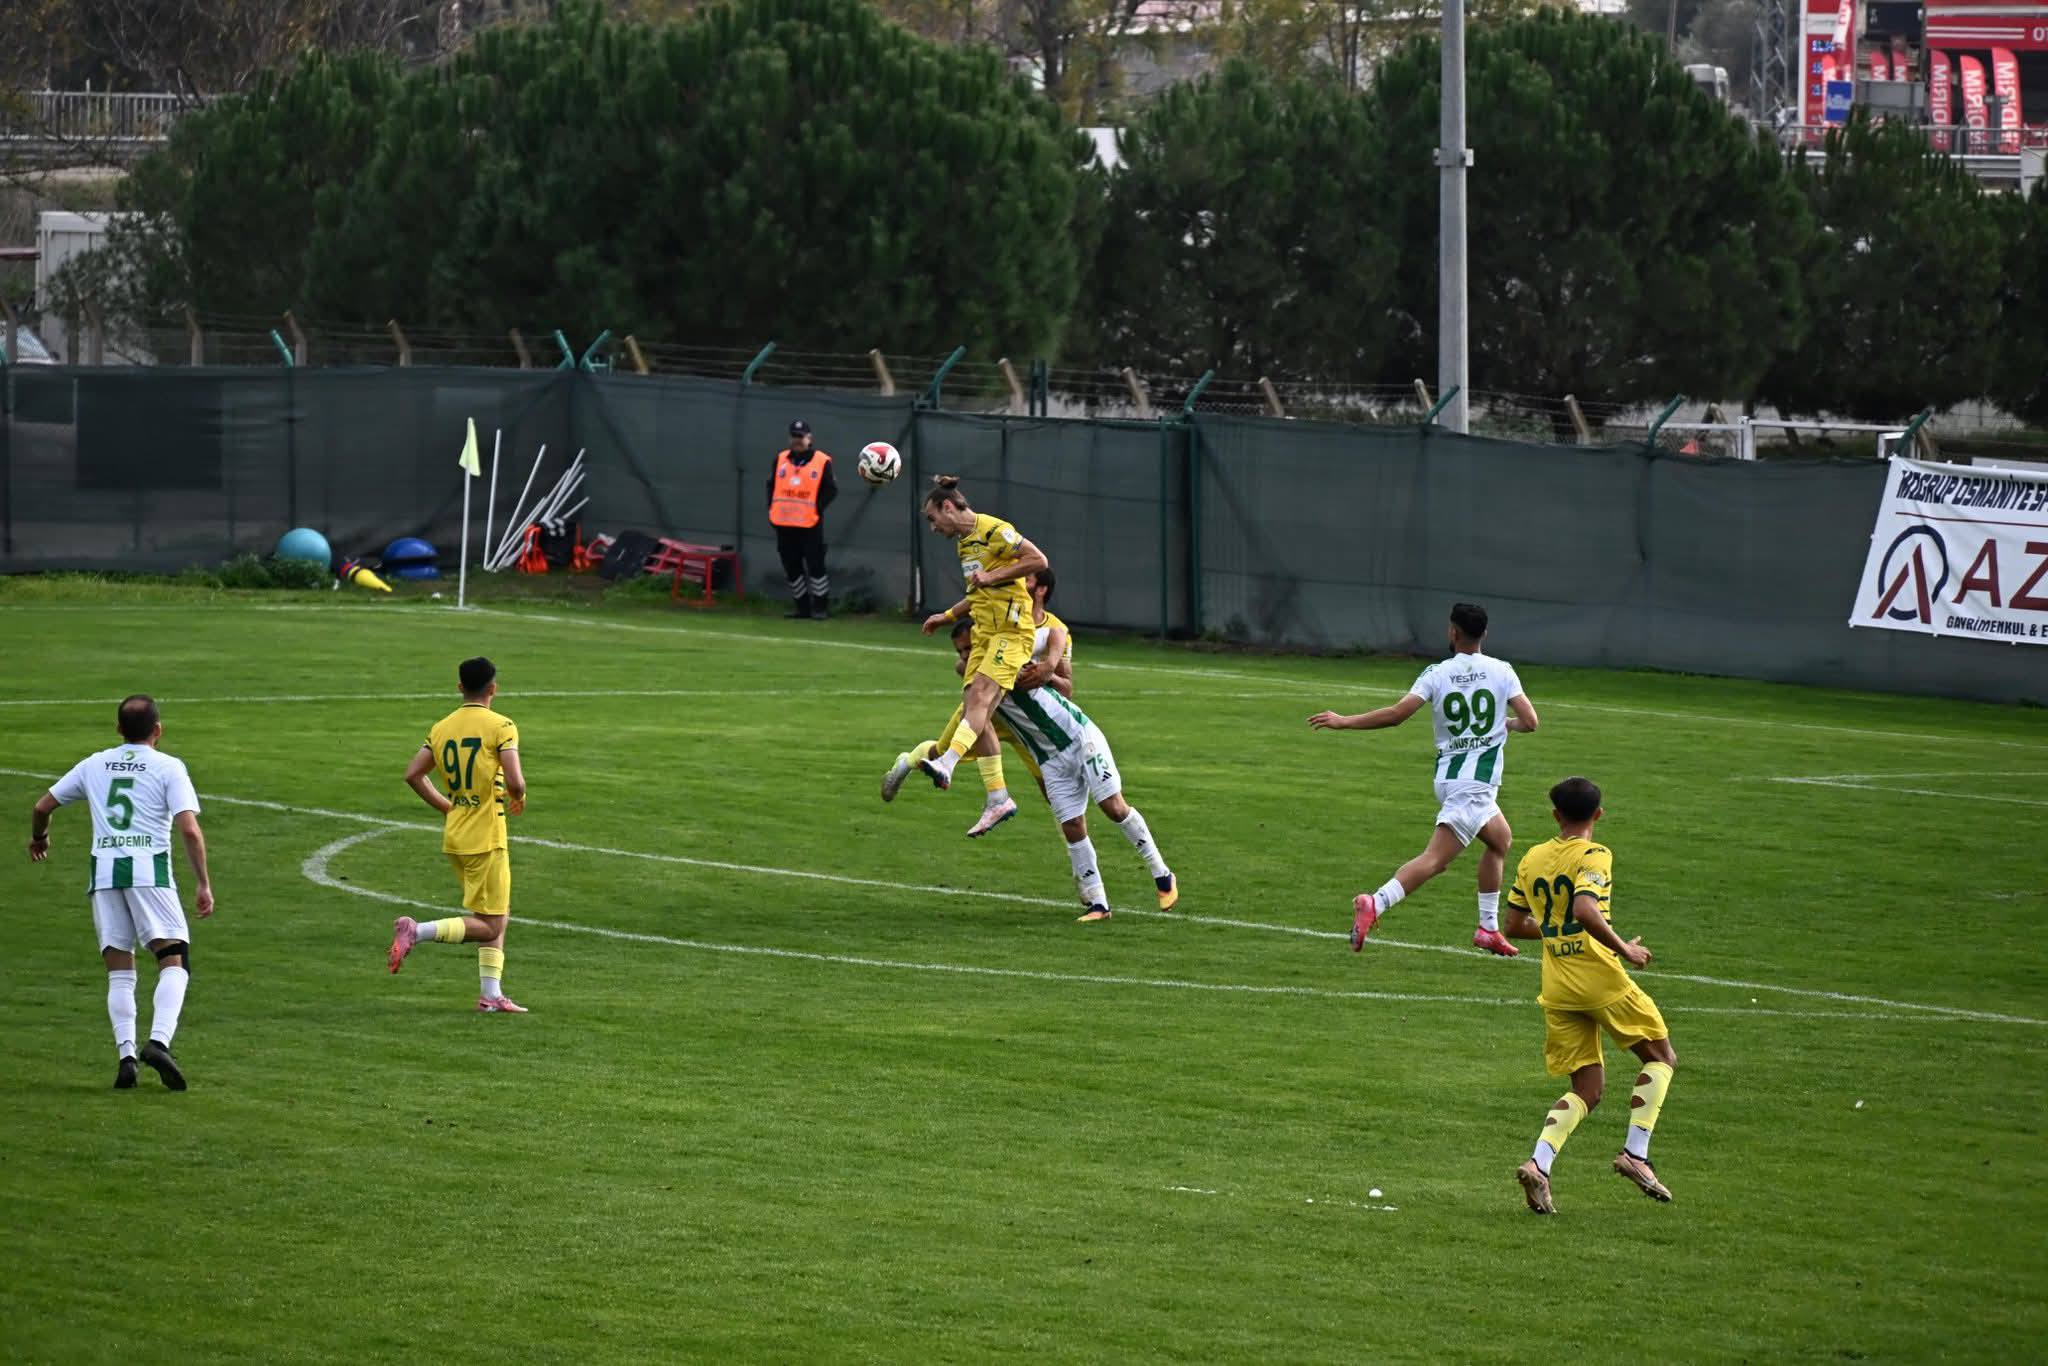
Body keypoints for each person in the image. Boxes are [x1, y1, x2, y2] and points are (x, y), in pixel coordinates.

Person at [1308, 602, 1537, 957]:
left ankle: (1488, 929)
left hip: (1450, 777)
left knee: (1500, 840)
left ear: (1453, 632)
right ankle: (1375, 902)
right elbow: (1531, 721)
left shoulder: (1437, 673)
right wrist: (1504, 724)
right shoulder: (1502, 670)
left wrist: (1345, 720)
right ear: (1485, 634)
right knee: (1435, 860)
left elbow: (1398, 714)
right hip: (1473, 784)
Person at [1503, 777, 1676, 1213]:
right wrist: (1625, 948)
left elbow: (1513, 925)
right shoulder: (1595, 854)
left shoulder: (1533, 857)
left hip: (1557, 985)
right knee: (1660, 1057)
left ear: (1555, 815)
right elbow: (1584, 908)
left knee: (1588, 1088)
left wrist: (1555, 928)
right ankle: (1636, 1154)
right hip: (1599, 978)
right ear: (1598, 815)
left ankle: (1539, 1165)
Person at [27, 695, 214, 1090]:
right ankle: (159, 1042)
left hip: (105, 876)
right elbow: (189, 829)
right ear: (158, 730)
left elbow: (42, 806)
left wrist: (39, 838)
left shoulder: (94, 764)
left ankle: (126, 1055)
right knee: (174, 959)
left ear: (118, 730)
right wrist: (203, 883)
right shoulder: (169, 767)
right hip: (149, 874)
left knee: (120, 971)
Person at [949, 619, 1176, 921]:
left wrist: (1048, 666)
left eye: (970, 647)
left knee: (1113, 806)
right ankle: (1098, 903)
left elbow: (1056, 633)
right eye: (960, 651)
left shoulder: (1013, 647)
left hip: (1079, 736)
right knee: (1071, 825)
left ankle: (1162, 874)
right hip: (1049, 758)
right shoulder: (974, 679)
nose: (965, 655)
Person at [388, 657, 529, 1013]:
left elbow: (413, 775)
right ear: (493, 688)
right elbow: (515, 781)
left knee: (498, 911)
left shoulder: (441, 727)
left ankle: (490, 994)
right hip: (486, 837)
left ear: (459, 687)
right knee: (489, 924)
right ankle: (416, 931)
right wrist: (519, 796)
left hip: (457, 835)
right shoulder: (502, 726)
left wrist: (447, 807)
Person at [882, 568, 1070, 836]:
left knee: (1053, 788)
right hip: (985, 710)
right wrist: (950, 621)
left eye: (1027, 579)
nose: (1019, 582)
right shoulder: (1001, 613)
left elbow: (1067, 689)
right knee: (938, 752)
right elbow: (964, 661)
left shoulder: (1056, 630)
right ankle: (906, 763)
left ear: (1041, 590)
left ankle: (1080, 861)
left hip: (1025, 721)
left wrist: (1043, 673)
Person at [913, 475, 1049, 803]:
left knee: (981, 698)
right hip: (986, 636)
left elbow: (1038, 561)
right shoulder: (965, 544)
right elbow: (977, 593)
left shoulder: (993, 530)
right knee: (977, 707)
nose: (933, 528)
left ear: (948, 507)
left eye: (932, 518)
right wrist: (946, 617)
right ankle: (997, 798)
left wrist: (993, 575)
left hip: (1011, 633)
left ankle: (947, 764)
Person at [768, 418, 837, 619]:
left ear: (809, 438)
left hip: (810, 524)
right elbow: (771, 486)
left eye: (801, 436)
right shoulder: (780, 459)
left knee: (816, 566)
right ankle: (802, 607)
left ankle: (820, 607)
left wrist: (816, 508)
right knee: (792, 567)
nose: (797, 440)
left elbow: (831, 489)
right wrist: (770, 509)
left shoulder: (821, 461)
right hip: (783, 524)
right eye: (794, 436)